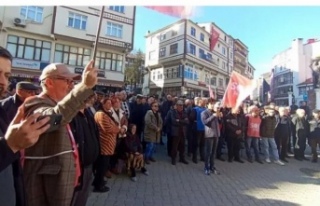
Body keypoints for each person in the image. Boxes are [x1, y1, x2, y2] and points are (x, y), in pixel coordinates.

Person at [21, 60, 98, 206]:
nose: (71, 85)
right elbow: (54, 120)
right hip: (48, 192)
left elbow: (70, 108)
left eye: (72, 82)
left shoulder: (58, 104)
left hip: (68, 186)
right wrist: (84, 86)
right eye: (67, 80)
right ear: (49, 82)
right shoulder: (35, 104)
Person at [0, 46, 50, 206]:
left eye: (6, 75)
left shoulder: (43, 106)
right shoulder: (7, 106)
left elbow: (56, 120)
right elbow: (9, 144)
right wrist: (10, 145)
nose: (2, 81)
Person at [201, 101, 221, 175]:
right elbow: (205, 122)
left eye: (213, 104)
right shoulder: (204, 113)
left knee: (213, 152)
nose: (213, 105)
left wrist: (220, 117)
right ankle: (206, 167)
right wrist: (214, 116)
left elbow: (220, 122)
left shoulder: (215, 112)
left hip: (216, 134)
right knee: (208, 152)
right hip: (209, 134)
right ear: (207, 105)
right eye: (211, 104)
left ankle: (212, 167)